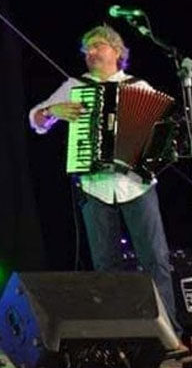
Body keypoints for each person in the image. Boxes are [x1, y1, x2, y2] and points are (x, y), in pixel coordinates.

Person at [29, 23, 181, 336]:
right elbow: (36, 120)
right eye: (87, 49)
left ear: (117, 51)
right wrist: (51, 110)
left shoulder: (139, 86)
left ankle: (170, 334)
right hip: (94, 185)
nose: (91, 53)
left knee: (156, 261)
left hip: (136, 185)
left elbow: (164, 133)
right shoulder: (75, 85)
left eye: (98, 46)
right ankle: (121, 335)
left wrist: (153, 156)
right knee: (106, 267)